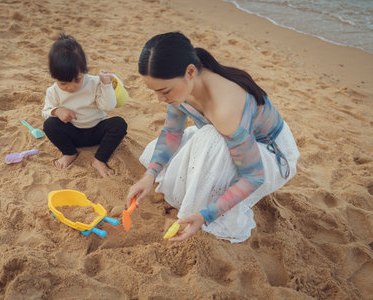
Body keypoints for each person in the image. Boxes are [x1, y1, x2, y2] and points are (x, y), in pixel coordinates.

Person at [126, 32, 299, 243]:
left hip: (269, 156)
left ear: (190, 72)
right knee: (169, 149)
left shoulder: (226, 107)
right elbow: (172, 132)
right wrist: (149, 175)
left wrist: (205, 216)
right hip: (230, 142)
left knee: (210, 139)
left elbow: (254, 176)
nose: (160, 99)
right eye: (155, 91)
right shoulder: (185, 85)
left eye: (164, 91)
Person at [42, 34, 127, 177]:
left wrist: (106, 85)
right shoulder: (53, 91)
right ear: (54, 77)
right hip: (73, 133)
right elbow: (45, 112)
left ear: (84, 71)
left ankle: (99, 160)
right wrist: (56, 111)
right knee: (50, 124)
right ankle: (69, 153)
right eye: (63, 83)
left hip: (97, 131)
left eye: (77, 80)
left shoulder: (95, 83)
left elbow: (108, 107)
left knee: (119, 124)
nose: (71, 87)